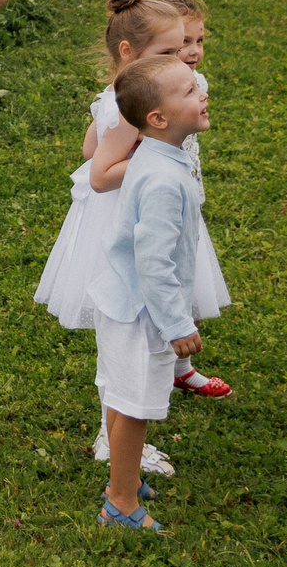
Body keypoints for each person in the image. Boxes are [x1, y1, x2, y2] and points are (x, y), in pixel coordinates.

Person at [35, 0, 188, 480]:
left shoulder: (123, 94)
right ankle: (115, 435)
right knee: (124, 334)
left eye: (183, 47)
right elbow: (100, 172)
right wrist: (157, 161)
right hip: (125, 222)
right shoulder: (128, 106)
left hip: (151, 217)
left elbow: (87, 146)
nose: (182, 58)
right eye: (168, 52)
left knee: (131, 333)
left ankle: (123, 426)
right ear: (129, 53)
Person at [85, 54, 214, 534]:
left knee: (121, 398)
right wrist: (177, 324)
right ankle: (120, 503)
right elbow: (154, 262)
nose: (202, 93)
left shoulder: (155, 157)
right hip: (142, 311)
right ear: (157, 119)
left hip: (122, 300)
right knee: (136, 405)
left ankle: (125, 477)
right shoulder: (163, 178)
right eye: (188, 91)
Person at [153, 0, 233, 401]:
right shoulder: (148, 89)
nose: (194, 50)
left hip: (187, 194)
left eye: (200, 41)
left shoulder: (194, 82)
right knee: (167, 277)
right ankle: (158, 367)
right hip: (158, 197)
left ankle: (181, 369)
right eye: (184, 42)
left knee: (189, 278)